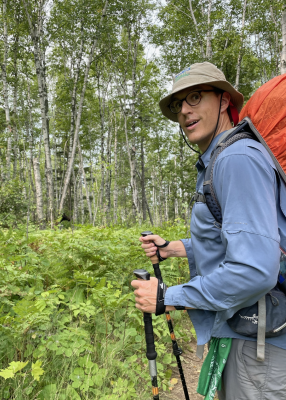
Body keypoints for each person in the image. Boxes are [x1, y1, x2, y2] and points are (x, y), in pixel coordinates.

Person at [131, 62, 286, 400]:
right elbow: (235, 239)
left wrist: (167, 297)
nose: (184, 110)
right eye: (178, 104)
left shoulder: (236, 159)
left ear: (224, 100)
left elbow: (254, 270)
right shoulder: (221, 158)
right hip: (246, 335)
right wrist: (175, 248)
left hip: (258, 347)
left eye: (196, 97)